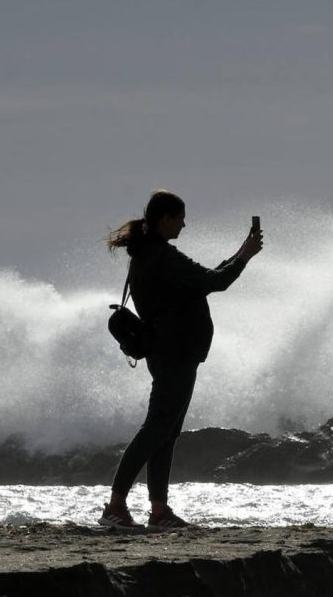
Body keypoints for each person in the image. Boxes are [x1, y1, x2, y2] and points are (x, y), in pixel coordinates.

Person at [100, 190, 263, 529]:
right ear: (165, 219)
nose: (184, 225)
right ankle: (115, 507)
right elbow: (216, 281)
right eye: (180, 218)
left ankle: (159, 510)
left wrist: (241, 252)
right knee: (156, 430)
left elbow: (206, 279)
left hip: (171, 352)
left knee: (165, 432)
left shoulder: (148, 253)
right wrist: (245, 256)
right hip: (174, 353)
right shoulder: (162, 256)